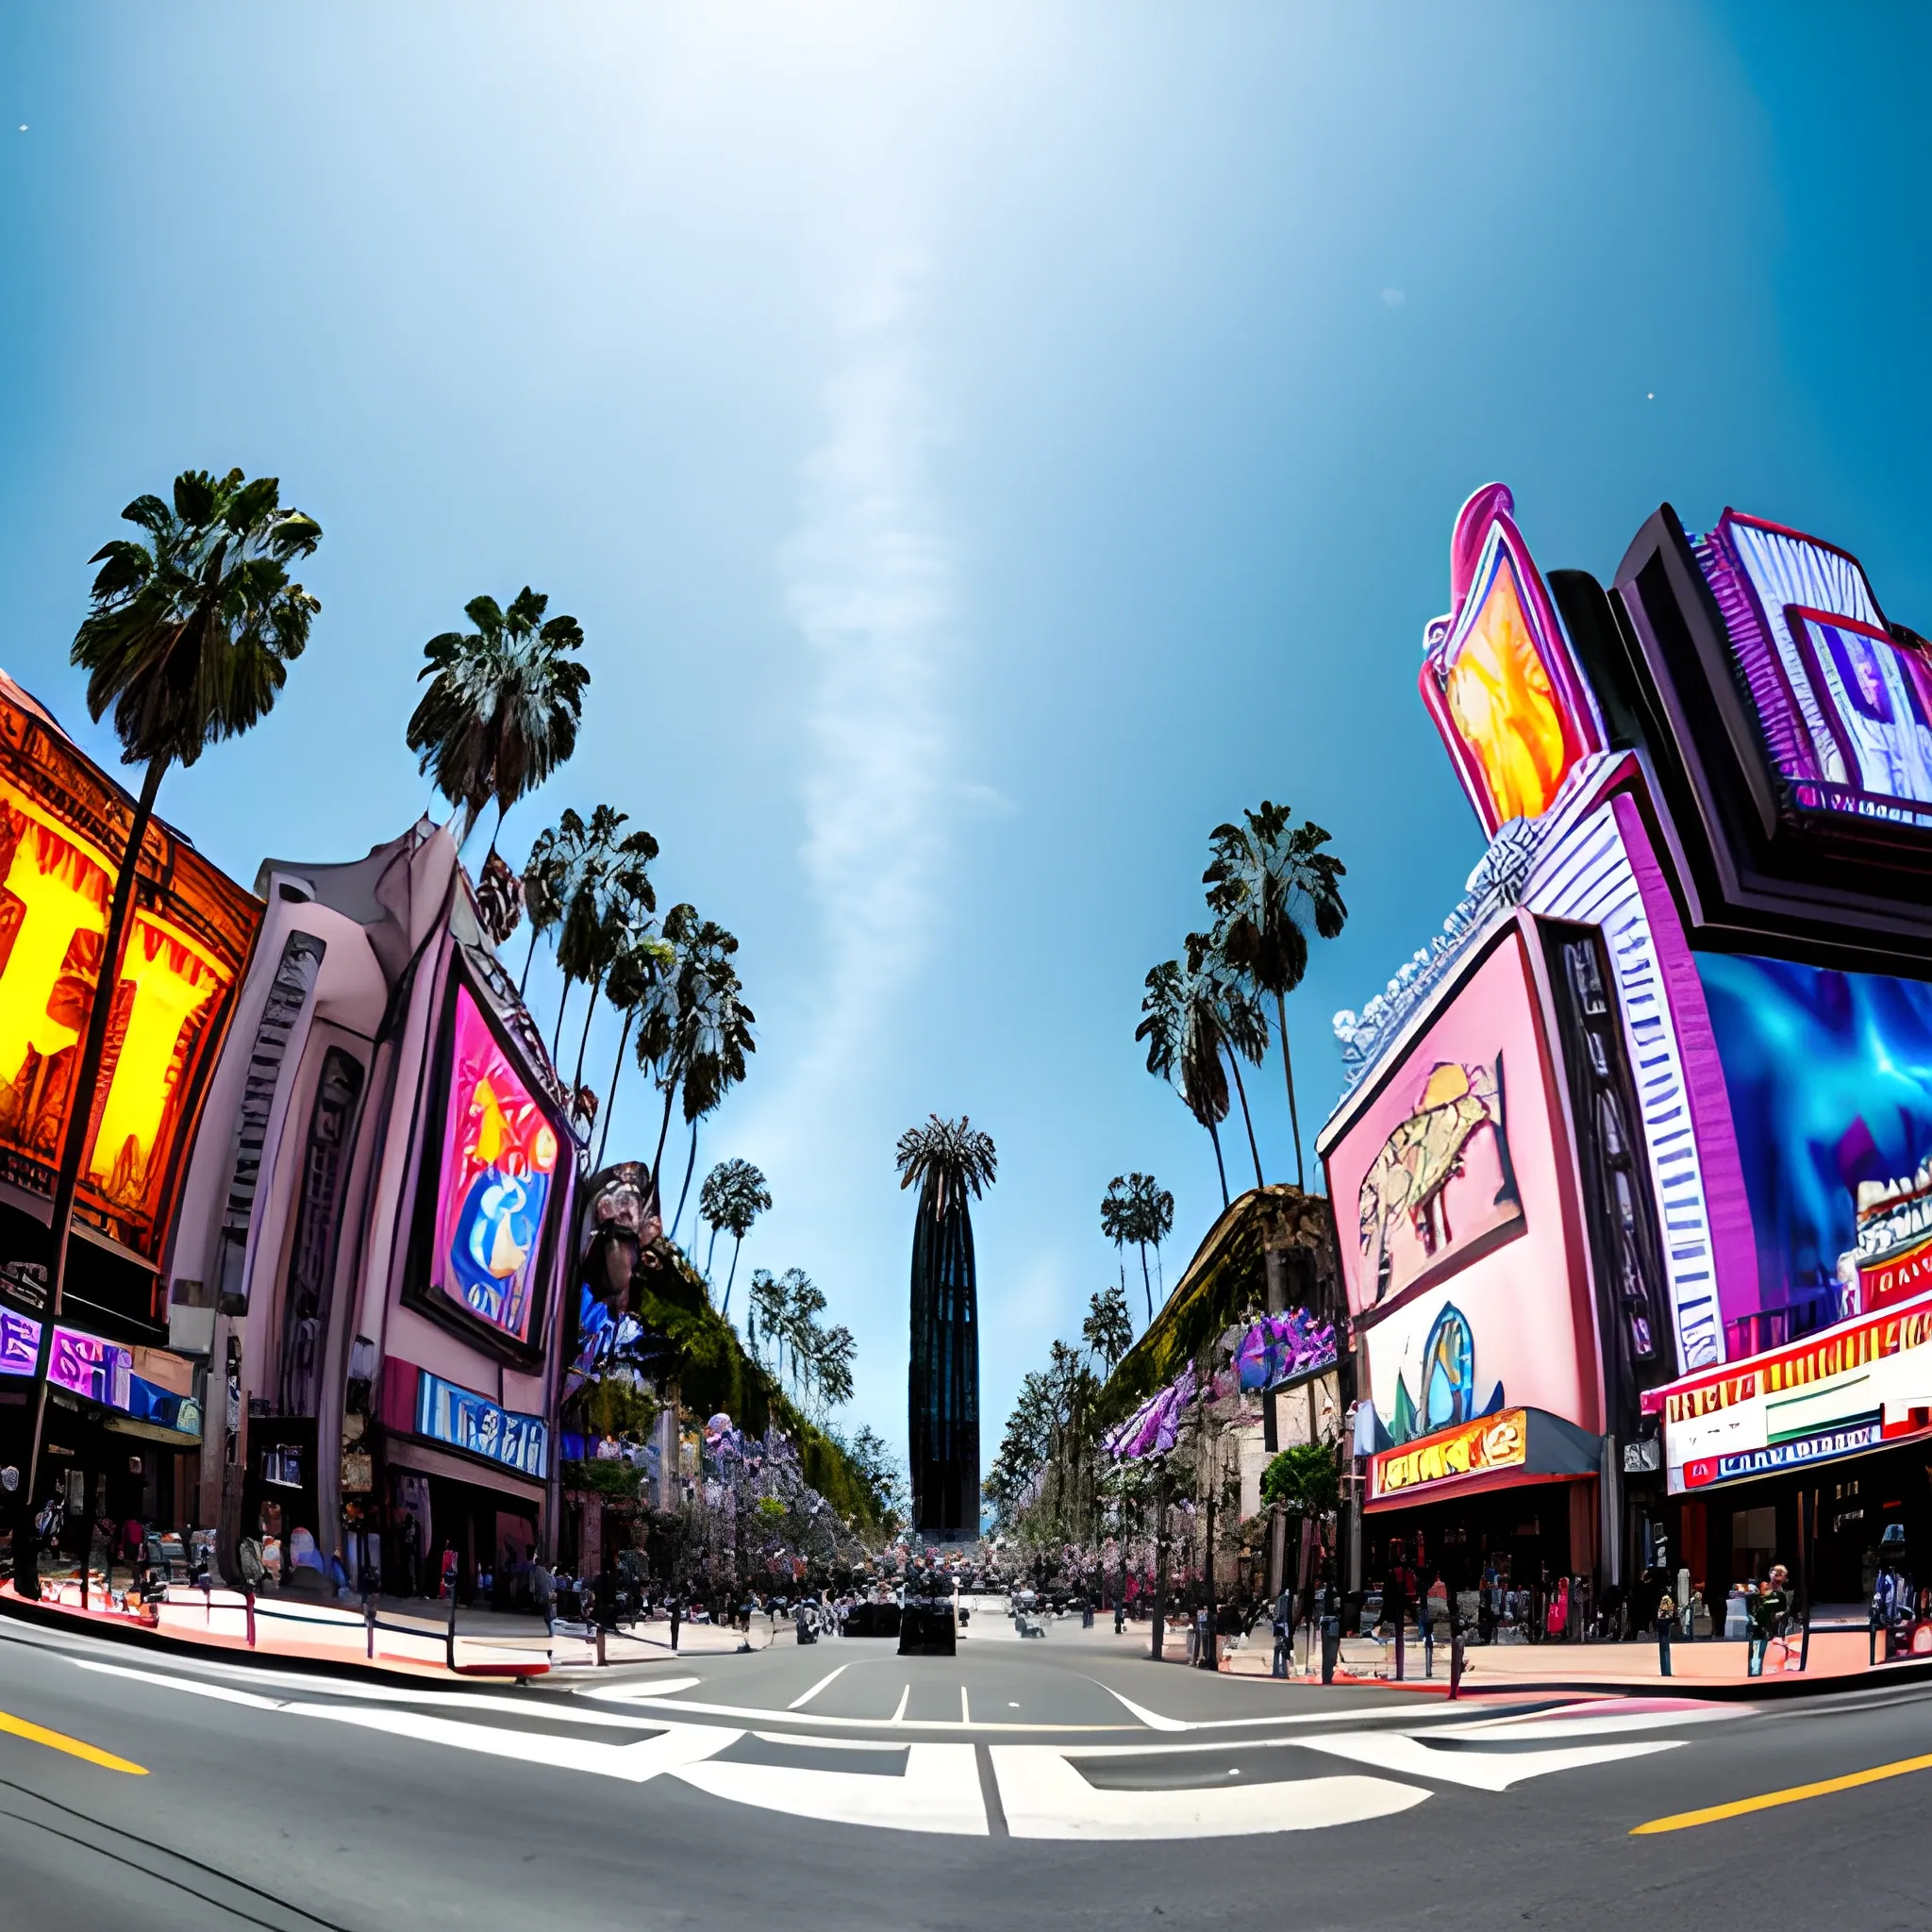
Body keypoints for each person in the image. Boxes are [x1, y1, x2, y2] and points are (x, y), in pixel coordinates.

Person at [1750, 1565, 1791, 1677]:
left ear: (1785, 1578)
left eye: (1780, 1573)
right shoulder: (1761, 1589)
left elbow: (1783, 1613)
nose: (1777, 1574)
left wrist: (1777, 1618)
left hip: (1773, 1633)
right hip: (1758, 1630)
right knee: (1756, 1656)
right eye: (1775, 1571)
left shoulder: (1782, 1595)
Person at [1271, 1582, 1293, 1679]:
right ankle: (1283, 1672)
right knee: (1283, 1648)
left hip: (1280, 1626)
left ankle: (1277, 1671)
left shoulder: (1280, 1599)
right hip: (1283, 1626)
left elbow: (1277, 1614)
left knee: (1279, 1648)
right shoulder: (1286, 1599)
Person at [1655, 1585, 1675, 1678]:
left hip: (1662, 1623)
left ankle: (1665, 1671)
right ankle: (1666, 1671)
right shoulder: (1668, 1602)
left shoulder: (1660, 1607)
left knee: (1664, 1647)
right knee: (1665, 1647)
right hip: (1665, 1623)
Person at [531, 1557, 555, 1638]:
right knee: (549, 1614)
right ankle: (552, 1633)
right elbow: (553, 1584)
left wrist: (535, 1596)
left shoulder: (536, 1571)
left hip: (543, 1596)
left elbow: (534, 1586)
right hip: (549, 1595)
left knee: (548, 1615)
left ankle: (552, 1633)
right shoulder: (547, 1574)